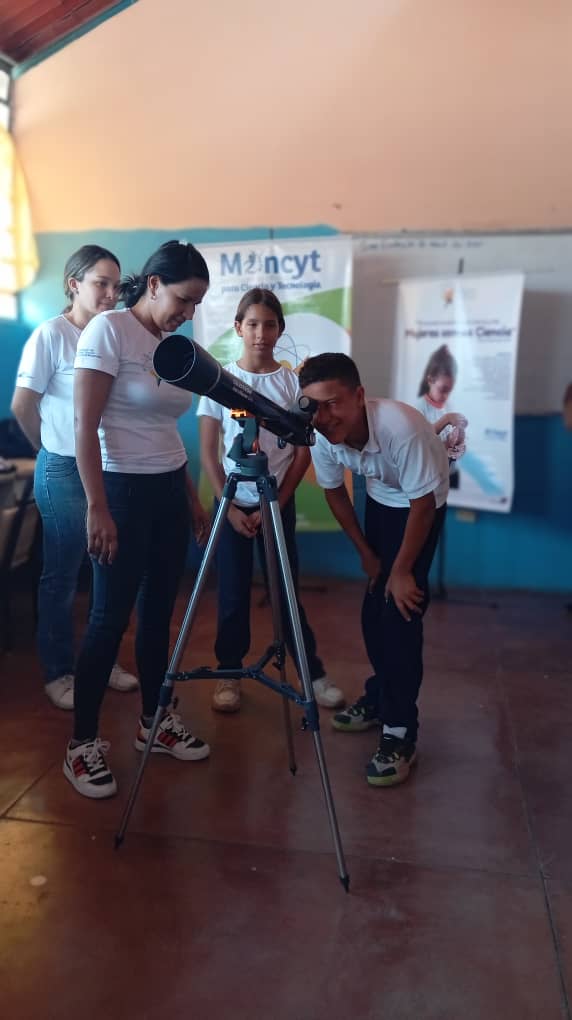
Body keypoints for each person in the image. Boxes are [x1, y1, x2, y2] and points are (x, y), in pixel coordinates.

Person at [63, 240, 212, 799]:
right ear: (153, 284)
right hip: (120, 489)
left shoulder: (172, 344)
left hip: (167, 490)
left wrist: (192, 502)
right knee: (108, 619)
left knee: (157, 615)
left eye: (196, 304)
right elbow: (85, 426)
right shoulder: (108, 331)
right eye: (183, 299)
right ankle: (81, 745)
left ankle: (155, 721)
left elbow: (167, 431)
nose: (188, 313)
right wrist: (97, 506)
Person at [298, 353, 449, 787]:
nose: (324, 417)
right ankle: (380, 695)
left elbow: (422, 506)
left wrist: (401, 571)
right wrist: (366, 553)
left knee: (400, 612)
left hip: (422, 504)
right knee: (372, 610)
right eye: (314, 406)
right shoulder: (322, 433)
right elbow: (335, 495)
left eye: (334, 403)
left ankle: (401, 732)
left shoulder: (402, 428)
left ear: (359, 395)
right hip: (383, 498)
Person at [197, 288, 345, 713]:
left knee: (285, 591)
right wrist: (228, 508)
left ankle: (312, 673)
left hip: (275, 506)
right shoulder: (218, 381)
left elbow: (301, 452)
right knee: (231, 595)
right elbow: (209, 451)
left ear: (281, 330)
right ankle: (229, 674)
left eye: (271, 324)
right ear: (238, 327)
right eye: (253, 324)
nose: (262, 333)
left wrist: (277, 503)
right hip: (231, 507)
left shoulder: (292, 384)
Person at [11, 245, 138, 710]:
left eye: (115, 285)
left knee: (109, 569)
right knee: (62, 576)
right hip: (64, 466)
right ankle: (59, 670)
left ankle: (101, 661)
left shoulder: (117, 333)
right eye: (99, 283)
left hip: (111, 468)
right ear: (74, 285)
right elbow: (23, 407)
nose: (109, 294)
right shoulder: (51, 335)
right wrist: (52, 451)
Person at [415, 344, 467, 483]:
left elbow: (456, 441)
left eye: (449, 390)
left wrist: (459, 443)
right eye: (443, 389)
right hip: (429, 478)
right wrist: (446, 419)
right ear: (431, 380)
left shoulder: (450, 406)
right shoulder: (419, 408)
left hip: (450, 473)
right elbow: (420, 442)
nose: (446, 395)